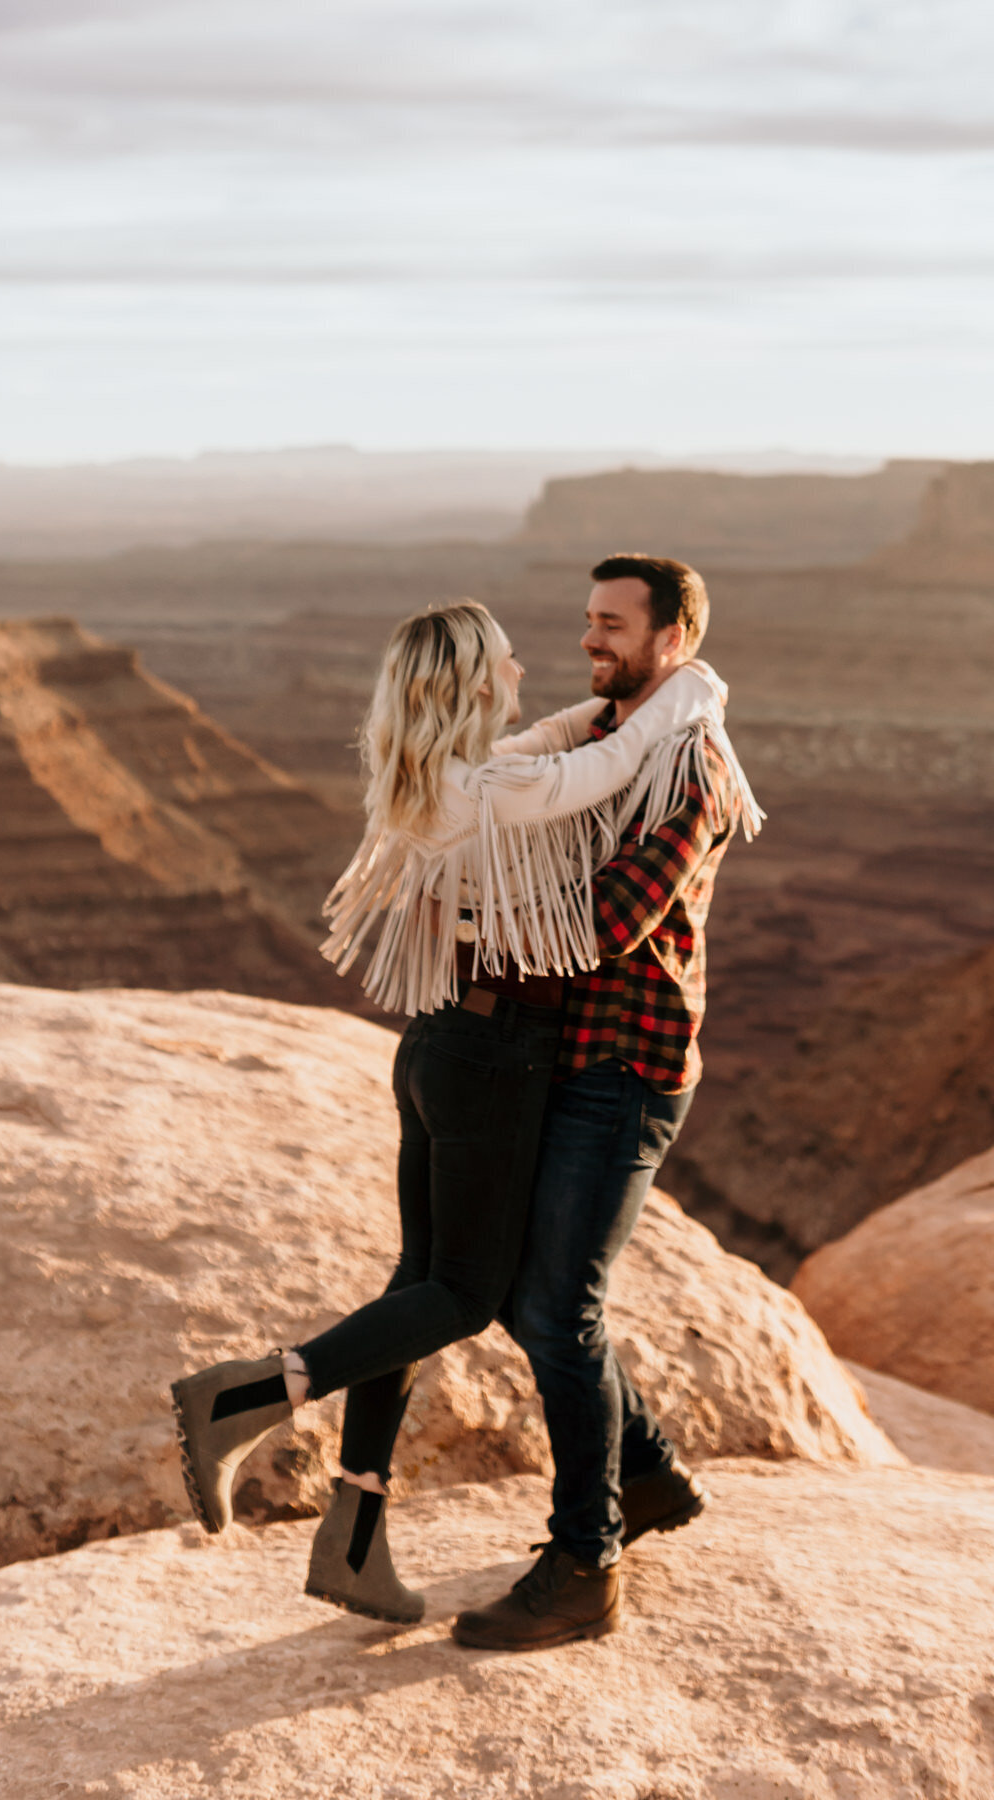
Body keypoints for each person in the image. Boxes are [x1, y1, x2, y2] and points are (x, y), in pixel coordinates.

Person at [171, 597, 728, 1624]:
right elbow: (596, 768)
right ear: (474, 684)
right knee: (469, 1295)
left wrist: (625, 710)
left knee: (417, 1287)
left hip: (435, 1041)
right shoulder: (489, 795)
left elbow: (557, 742)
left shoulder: (445, 780)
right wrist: (691, 693)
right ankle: (246, 1397)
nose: (527, 675)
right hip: (496, 1056)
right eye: (507, 665)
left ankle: (356, 1536)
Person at [452, 554, 762, 1653]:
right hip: (563, 1057)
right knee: (506, 1288)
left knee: (555, 1311)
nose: (594, 642)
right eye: (588, 622)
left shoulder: (693, 768)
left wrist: (472, 920)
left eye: (616, 626)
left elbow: (612, 919)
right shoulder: (588, 743)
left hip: (628, 1069)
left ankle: (587, 1560)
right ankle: (652, 1475)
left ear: (674, 636)